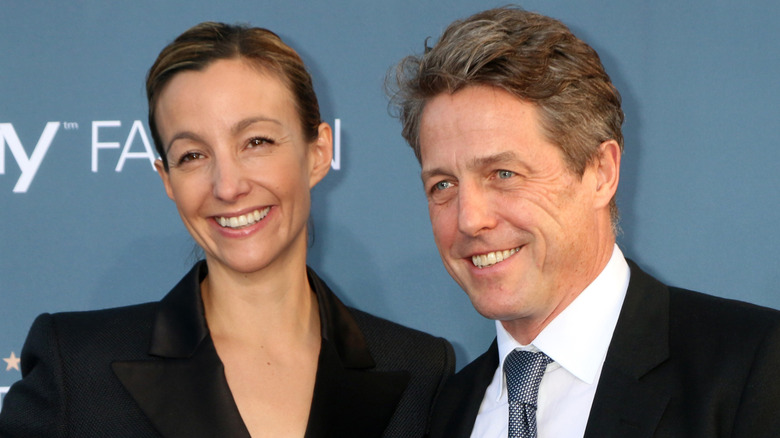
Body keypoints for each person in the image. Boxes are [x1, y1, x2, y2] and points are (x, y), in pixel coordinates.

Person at [0, 22, 454, 437]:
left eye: (256, 142)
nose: (228, 186)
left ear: (318, 153)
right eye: (192, 155)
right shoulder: (75, 369)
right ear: (167, 180)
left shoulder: (420, 372)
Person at [389, 6, 780, 438]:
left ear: (601, 173)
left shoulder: (752, 368)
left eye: (504, 174)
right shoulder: (439, 413)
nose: (470, 219)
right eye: (443, 185)